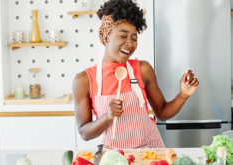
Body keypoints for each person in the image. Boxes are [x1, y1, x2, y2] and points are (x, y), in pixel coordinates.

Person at [72, 0, 199, 149]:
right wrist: (107, 117)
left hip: (150, 150)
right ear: (106, 36)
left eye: (134, 38)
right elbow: (84, 133)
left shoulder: (143, 69)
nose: (130, 43)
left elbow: (162, 113)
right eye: (123, 36)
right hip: (115, 155)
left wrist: (183, 95)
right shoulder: (84, 80)